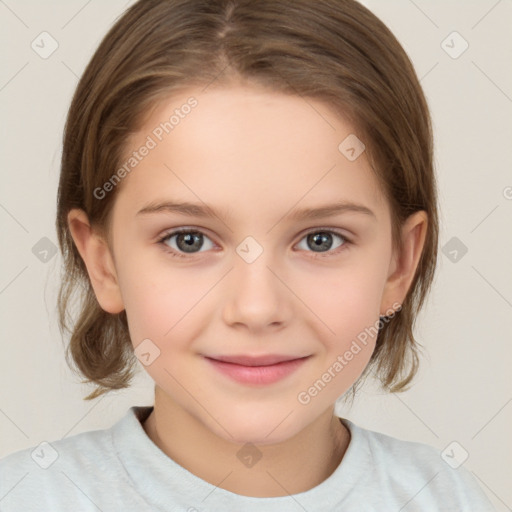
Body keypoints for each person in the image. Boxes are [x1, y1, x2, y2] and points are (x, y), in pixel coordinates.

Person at [0, 0, 496, 510]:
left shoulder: (447, 498)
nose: (257, 309)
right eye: (188, 240)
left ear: (399, 263)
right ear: (103, 263)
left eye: (320, 239)